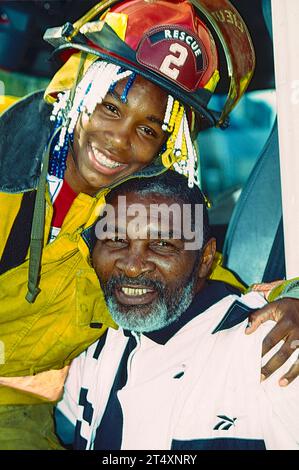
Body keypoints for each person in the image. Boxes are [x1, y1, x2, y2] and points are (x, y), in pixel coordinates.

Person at [0, 0, 298, 449]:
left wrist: (291, 298)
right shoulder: (9, 159)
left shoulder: (132, 211)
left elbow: (194, 274)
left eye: (148, 130)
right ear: (78, 91)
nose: (119, 142)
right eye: (110, 109)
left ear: (165, 142)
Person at [56, 171, 299, 450]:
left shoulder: (270, 342)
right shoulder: (99, 339)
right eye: (116, 240)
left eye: (162, 245)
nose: (133, 266)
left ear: (205, 258)